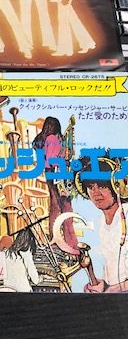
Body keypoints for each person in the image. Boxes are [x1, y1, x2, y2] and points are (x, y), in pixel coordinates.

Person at [81, 160, 128, 293]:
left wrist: (112, 290)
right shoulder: (102, 221)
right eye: (91, 187)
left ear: (115, 186)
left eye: (102, 186)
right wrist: (101, 285)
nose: (96, 193)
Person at [32, 116, 77, 251]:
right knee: (62, 207)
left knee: (55, 207)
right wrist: (65, 161)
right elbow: (51, 160)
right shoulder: (52, 138)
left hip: (51, 174)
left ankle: (54, 239)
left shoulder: (47, 139)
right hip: (56, 174)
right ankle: (65, 240)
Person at [3, 227, 41, 292]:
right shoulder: (26, 254)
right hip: (23, 291)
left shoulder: (6, 252)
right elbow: (35, 280)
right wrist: (42, 278)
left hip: (8, 290)